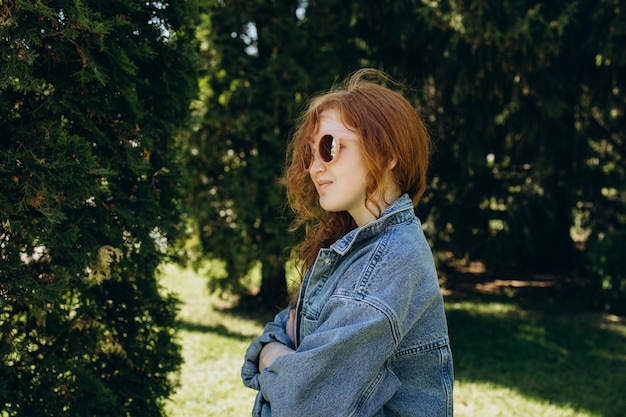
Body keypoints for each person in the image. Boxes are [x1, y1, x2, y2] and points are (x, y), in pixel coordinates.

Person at [241, 68, 454, 417]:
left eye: (329, 147)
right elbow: (286, 329)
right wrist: (284, 356)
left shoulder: (389, 261)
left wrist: (269, 355)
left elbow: (302, 400)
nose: (313, 168)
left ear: (386, 154)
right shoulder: (349, 247)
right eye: (310, 154)